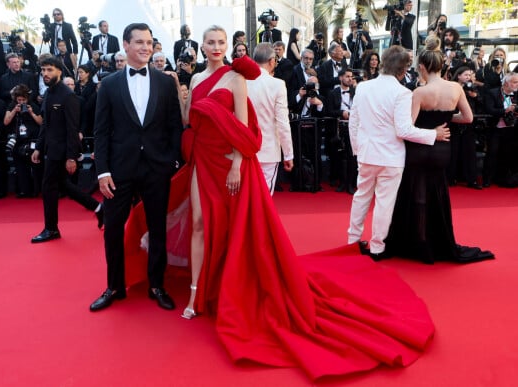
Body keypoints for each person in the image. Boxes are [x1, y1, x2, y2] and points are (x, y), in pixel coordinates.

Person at [124, 25, 436, 380]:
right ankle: (196, 295)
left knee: (231, 228)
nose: (215, 47)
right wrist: (182, 97)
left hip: (229, 162)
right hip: (202, 161)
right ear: (200, 46)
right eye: (209, 43)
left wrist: (239, 164)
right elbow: (188, 121)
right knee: (198, 224)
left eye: (221, 43)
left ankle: (229, 288)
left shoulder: (236, 78)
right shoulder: (195, 80)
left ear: (229, 47)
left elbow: (244, 126)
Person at [89, 23, 183, 312]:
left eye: (149, 42)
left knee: (157, 228)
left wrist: (171, 161)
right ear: (126, 46)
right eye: (139, 42)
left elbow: (174, 127)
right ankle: (114, 286)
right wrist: (103, 171)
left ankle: (157, 284)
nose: (146, 47)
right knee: (113, 229)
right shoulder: (109, 84)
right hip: (118, 171)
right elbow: (101, 131)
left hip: (156, 169)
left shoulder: (167, 82)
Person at [384, 38, 494, 264]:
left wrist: (430, 126)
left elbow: (409, 126)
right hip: (443, 147)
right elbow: (468, 118)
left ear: (422, 67)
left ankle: (420, 242)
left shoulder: (418, 93)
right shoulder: (455, 88)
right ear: (442, 65)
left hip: (420, 149)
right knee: (438, 192)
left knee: (417, 193)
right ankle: (437, 241)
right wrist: (445, 119)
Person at [348, 44, 450, 260]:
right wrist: (433, 134)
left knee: (361, 196)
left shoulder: (363, 88)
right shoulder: (402, 93)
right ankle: (377, 247)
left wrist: (357, 148)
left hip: (367, 153)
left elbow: (353, 122)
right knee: (384, 202)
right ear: (404, 71)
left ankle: (352, 241)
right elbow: (403, 130)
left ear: (382, 63)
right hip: (391, 157)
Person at [30, 56, 104, 243]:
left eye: (49, 70)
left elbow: (73, 128)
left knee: (48, 188)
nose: (45, 74)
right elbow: (45, 124)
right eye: (43, 70)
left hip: (62, 151)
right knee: (63, 186)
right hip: (50, 149)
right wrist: (39, 147)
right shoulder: (48, 93)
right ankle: (99, 209)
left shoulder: (67, 95)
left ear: (59, 71)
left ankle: (51, 229)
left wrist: (72, 157)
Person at [246, 43, 293, 195]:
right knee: (264, 197)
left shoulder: (242, 81)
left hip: (245, 149)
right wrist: (288, 154)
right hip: (268, 150)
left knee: (247, 196)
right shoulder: (278, 84)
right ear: (272, 61)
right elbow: (282, 122)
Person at [3, 84, 42, 198]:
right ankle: (24, 190)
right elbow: (6, 121)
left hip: (32, 139)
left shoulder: (33, 106)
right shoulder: (12, 106)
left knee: (35, 166)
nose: (21, 102)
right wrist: (15, 111)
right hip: (17, 140)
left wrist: (31, 113)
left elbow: (41, 122)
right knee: (20, 167)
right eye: (19, 100)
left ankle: (37, 189)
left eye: (23, 100)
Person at [482, 72, 518, 188]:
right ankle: (487, 179)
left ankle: (503, 177)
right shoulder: (493, 93)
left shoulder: (516, 95)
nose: (517, 84)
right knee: (492, 153)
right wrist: (505, 110)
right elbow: (489, 110)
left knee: (508, 153)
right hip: (495, 128)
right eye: (514, 82)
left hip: (511, 129)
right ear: (506, 83)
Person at [448, 66, 481, 189]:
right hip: (454, 123)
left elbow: (481, 103)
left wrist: (475, 96)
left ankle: (471, 180)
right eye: (466, 75)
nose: (468, 77)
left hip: (469, 124)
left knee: (469, 152)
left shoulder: (474, 88)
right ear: (458, 76)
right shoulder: (452, 88)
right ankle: (450, 178)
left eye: (470, 75)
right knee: (453, 151)